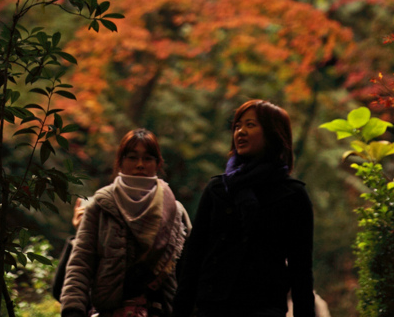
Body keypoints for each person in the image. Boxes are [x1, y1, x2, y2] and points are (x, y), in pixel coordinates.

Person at [172, 100, 315, 317]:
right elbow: (194, 256)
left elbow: (300, 269)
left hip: (263, 306)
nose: (241, 132)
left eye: (250, 125)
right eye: (237, 126)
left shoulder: (292, 195)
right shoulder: (218, 189)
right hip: (213, 306)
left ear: (273, 133)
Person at [59, 128, 192, 317]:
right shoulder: (101, 205)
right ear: (120, 162)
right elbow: (81, 263)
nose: (140, 165)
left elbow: (189, 270)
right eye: (132, 157)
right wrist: (73, 310)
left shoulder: (175, 210)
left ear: (157, 163)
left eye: (147, 158)